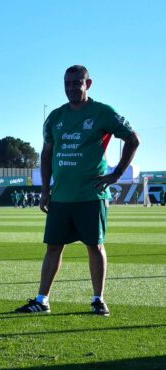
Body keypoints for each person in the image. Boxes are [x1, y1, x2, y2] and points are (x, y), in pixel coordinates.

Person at [15, 65, 139, 316]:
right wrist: (46, 190)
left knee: (95, 245)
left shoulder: (102, 112)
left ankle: (98, 299)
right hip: (61, 195)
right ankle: (42, 300)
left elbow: (133, 139)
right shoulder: (55, 117)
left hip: (91, 194)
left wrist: (116, 174)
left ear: (88, 84)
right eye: (67, 84)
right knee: (53, 246)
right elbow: (47, 154)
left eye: (77, 83)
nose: (71, 88)